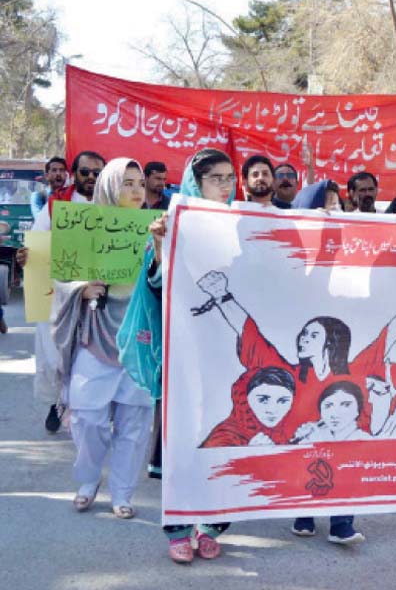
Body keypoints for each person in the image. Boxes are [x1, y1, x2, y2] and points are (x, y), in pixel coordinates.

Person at [191, 271, 396, 544]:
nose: (302, 338)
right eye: (303, 333)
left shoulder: (354, 373)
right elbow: (251, 336)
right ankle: (302, 516)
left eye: (312, 334)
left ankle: (340, 524)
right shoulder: (287, 373)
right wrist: (222, 295)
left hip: (339, 454)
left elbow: (384, 341)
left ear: (330, 343)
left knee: (346, 454)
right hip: (295, 457)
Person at [117, 148, 237, 564]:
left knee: (224, 437)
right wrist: (158, 242)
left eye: (229, 177)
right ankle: (180, 528)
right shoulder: (171, 225)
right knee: (183, 442)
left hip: (228, 357)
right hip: (184, 357)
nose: (226, 186)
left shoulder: (246, 226)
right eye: (216, 178)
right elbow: (153, 286)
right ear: (196, 183)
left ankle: (213, 523)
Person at [50, 158, 151, 521]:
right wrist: (81, 288)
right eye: (126, 183)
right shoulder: (85, 224)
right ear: (109, 186)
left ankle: (122, 492)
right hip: (97, 333)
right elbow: (61, 275)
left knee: (135, 421)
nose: (137, 190)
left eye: (140, 182)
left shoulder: (157, 228)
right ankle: (88, 480)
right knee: (88, 417)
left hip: (140, 339)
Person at [17, 150, 106, 433]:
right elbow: (39, 243)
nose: (91, 178)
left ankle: (89, 409)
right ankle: (58, 403)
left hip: (102, 295)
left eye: (97, 173)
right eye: (85, 172)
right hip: (63, 293)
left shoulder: (115, 204)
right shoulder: (57, 204)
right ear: (74, 174)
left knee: (95, 353)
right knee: (59, 350)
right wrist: (26, 257)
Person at [201, 366, 296, 447]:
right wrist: (248, 454)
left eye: (283, 401)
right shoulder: (224, 436)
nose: (272, 410)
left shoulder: (281, 434)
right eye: (263, 400)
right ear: (246, 400)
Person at [298, 381, 372, 443]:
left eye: (346, 405)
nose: (334, 414)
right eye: (328, 406)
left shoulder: (365, 440)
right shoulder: (313, 437)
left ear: (358, 409)